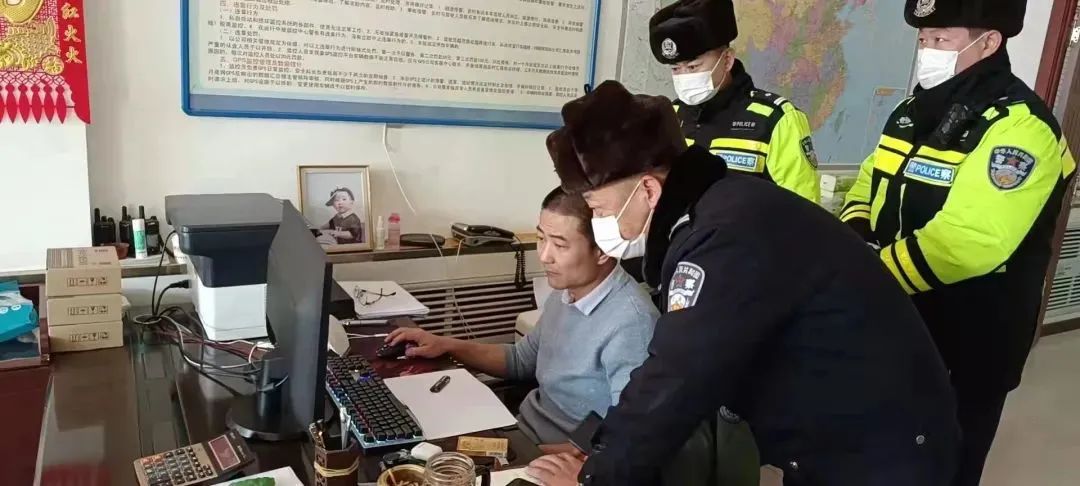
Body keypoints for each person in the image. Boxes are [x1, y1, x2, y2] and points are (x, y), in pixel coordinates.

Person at [526, 80, 959, 486]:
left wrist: (594, 475)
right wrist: (599, 447)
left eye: (598, 208)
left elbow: (678, 374)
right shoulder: (714, 208)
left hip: (883, 444)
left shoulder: (724, 237)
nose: (598, 222)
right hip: (842, 432)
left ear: (649, 192)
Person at [840, 1, 1076, 484]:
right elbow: (868, 182)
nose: (927, 50)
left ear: (988, 43)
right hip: (902, 317)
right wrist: (857, 229)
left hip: (973, 333)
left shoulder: (1020, 128)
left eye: (942, 39)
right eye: (923, 39)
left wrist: (869, 276)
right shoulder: (911, 112)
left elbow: (970, 241)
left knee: (947, 462)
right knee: (886, 449)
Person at [384, 187, 658, 448]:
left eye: (559, 245)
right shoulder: (566, 293)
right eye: (541, 239)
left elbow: (628, 435)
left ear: (603, 251)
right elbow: (520, 360)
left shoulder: (631, 323)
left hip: (560, 455)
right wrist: (445, 345)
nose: (545, 256)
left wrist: (542, 455)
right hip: (524, 433)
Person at [650, 0, 819, 203]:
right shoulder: (669, 116)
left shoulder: (777, 120)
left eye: (693, 67)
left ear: (727, 60)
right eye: (676, 69)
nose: (685, 76)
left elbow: (804, 210)